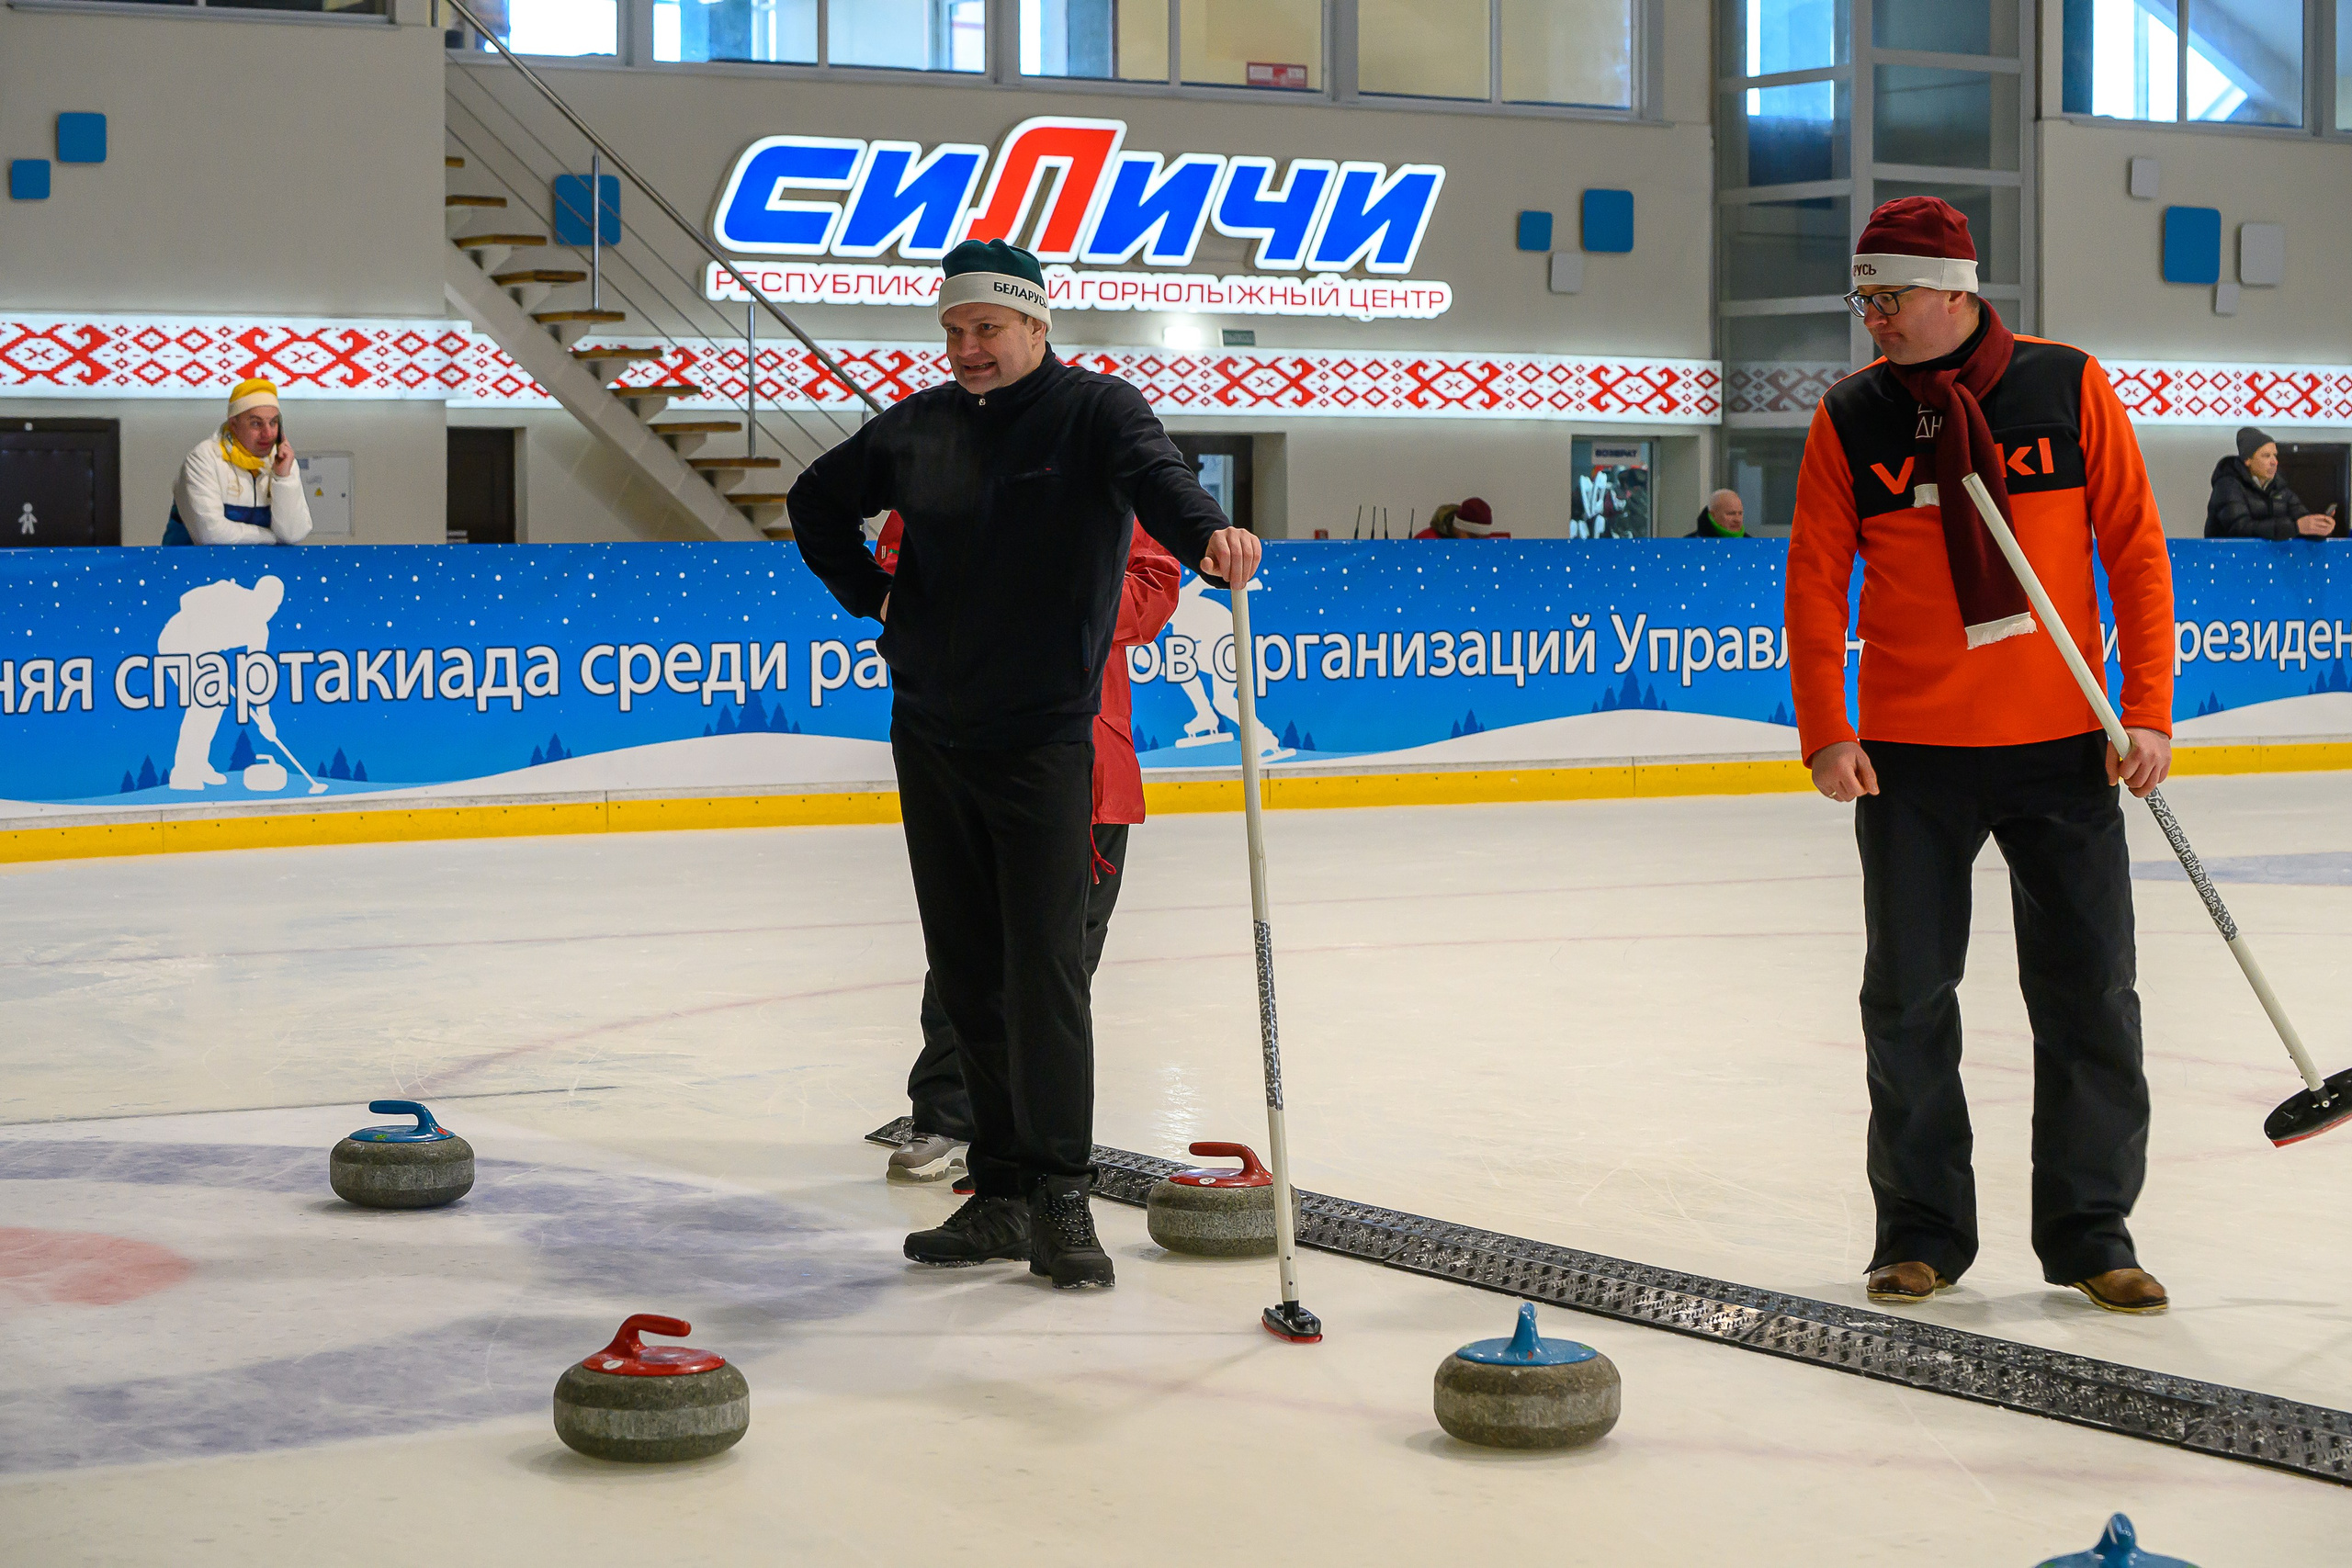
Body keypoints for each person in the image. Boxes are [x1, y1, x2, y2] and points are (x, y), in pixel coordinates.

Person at [787, 238, 1258, 1291]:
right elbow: (815, 501)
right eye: (953, 331)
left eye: (985, 329)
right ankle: (995, 1196)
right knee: (965, 975)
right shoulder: (919, 428)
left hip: (1045, 738)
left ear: (1036, 326)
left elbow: (1161, 478)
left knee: (1042, 976)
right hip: (932, 731)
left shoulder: (1096, 412)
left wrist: (1209, 535)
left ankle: (1056, 1194)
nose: (966, 348)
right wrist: (876, 599)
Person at [1785, 196, 2177, 1317]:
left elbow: (2134, 553)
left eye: (1888, 297)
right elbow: (1815, 582)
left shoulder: (2065, 384)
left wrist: (2143, 711)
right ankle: (1918, 1234)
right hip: (1909, 758)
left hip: (2065, 747)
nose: (1873, 320)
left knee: (2090, 996)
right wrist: (1826, 726)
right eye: (1862, 300)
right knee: (1906, 1000)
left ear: (1953, 291)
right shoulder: (1851, 417)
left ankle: (2091, 1230)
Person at [884, 511, 1182, 1184]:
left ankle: (1038, 1133)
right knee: (971, 946)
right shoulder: (951, 457)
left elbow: (1156, 581)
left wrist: (1066, 602)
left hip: (1088, 768)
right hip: (976, 754)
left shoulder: (1100, 461)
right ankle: (948, 1112)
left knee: (1063, 964)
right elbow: (899, 567)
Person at [166, 378, 311, 547]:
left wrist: (283, 479)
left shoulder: (282, 461)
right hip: (191, 569)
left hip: (261, 571)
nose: (268, 433)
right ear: (234, 425)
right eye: (256, 423)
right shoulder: (205, 458)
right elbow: (210, 534)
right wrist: (273, 538)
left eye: (273, 422)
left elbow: (293, 535)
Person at [2204, 426, 2335, 539]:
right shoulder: (2227, 486)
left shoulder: (2279, 488)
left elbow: (2301, 520)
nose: (2274, 462)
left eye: (2275, 455)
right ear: (2247, 460)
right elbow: (2240, 528)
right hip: (2228, 563)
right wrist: (2295, 527)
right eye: (2266, 456)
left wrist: (2319, 528)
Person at [1414, 496, 1506, 538]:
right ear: (1457, 528)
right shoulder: (1427, 540)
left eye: (1484, 539)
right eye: (1472, 537)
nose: (1478, 545)